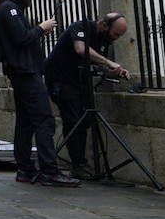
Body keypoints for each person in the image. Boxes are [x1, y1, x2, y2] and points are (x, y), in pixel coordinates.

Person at [0, 0, 78, 187]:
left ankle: (25, 169)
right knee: (43, 119)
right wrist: (41, 28)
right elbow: (21, 38)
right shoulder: (9, 9)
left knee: (26, 120)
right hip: (25, 72)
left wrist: (39, 31)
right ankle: (49, 170)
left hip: (24, 70)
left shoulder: (11, 8)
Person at [45, 12, 129, 178]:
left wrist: (115, 72)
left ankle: (80, 163)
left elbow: (98, 65)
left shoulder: (105, 39)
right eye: (116, 34)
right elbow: (81, 49)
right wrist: (109, 62)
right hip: (60, 79)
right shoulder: (80, 27)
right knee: (73, 118)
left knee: (85, 119)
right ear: (104, 25)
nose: (116, 38)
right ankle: (78, 164)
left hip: (79, 81)